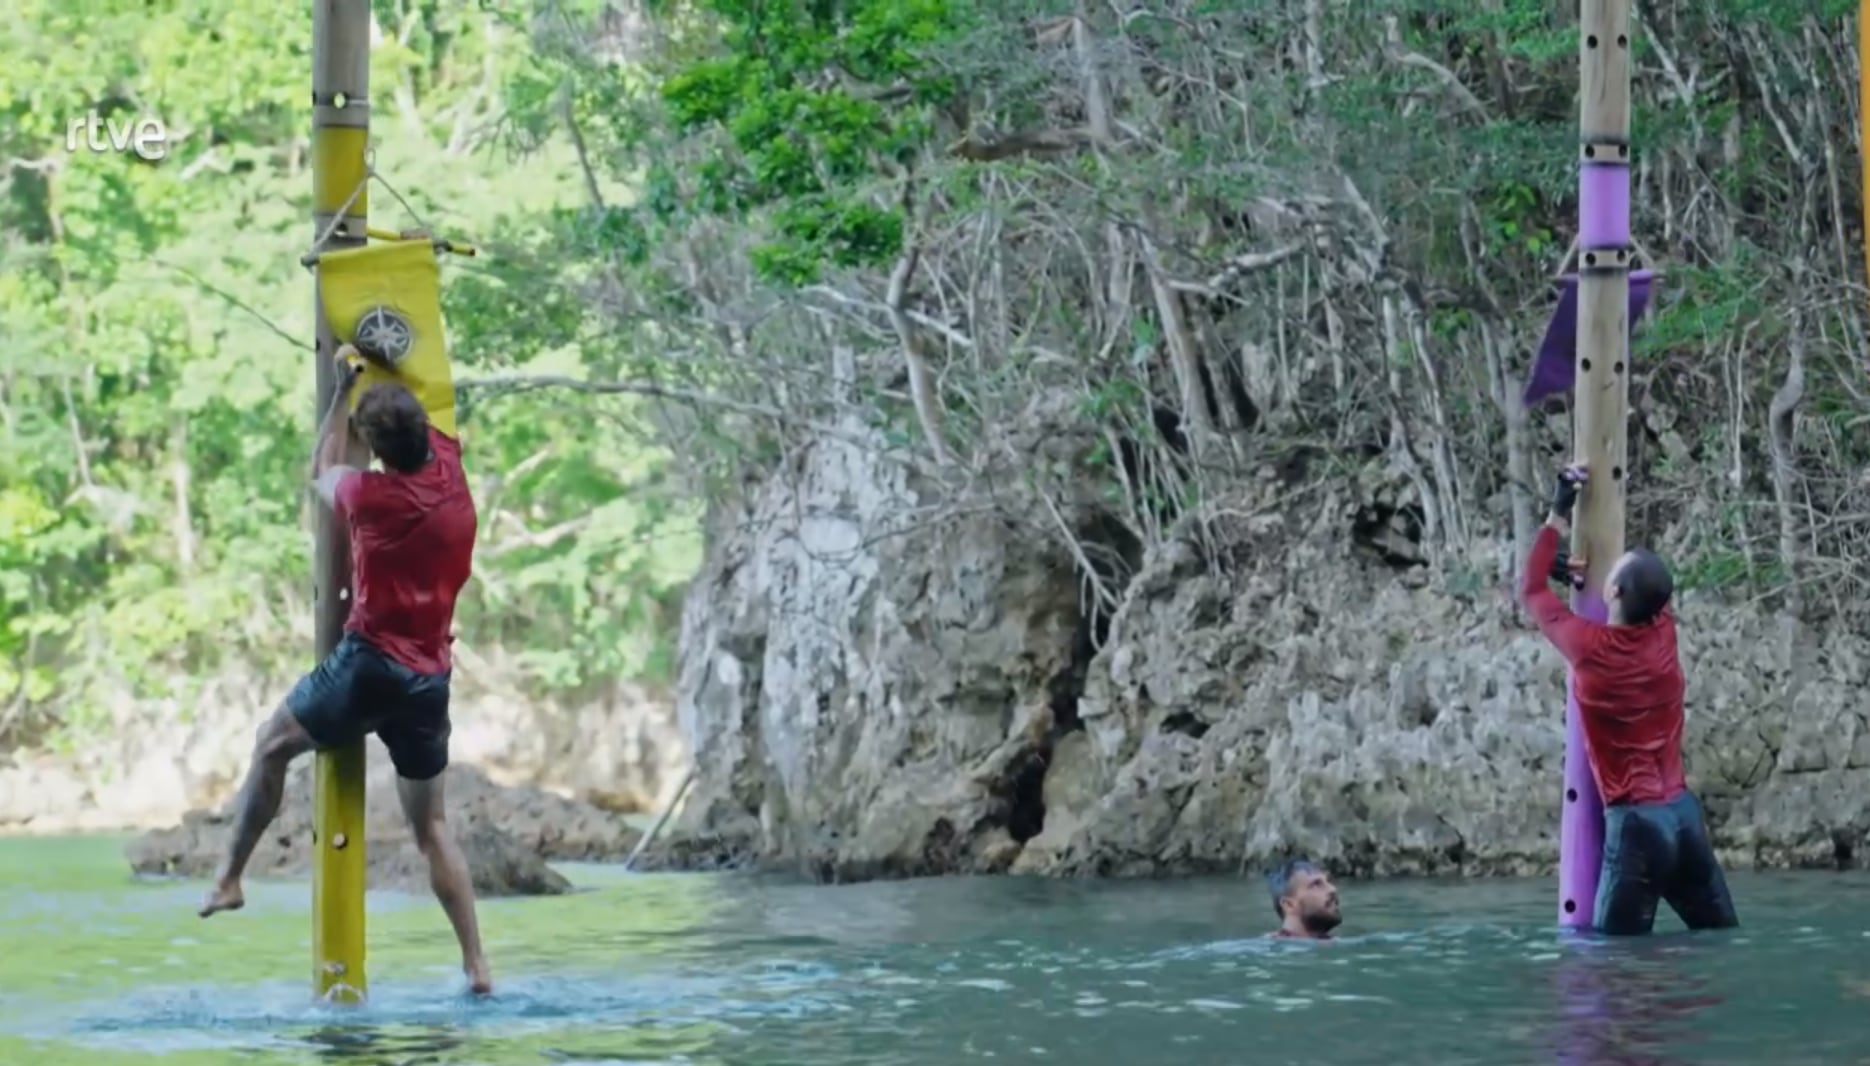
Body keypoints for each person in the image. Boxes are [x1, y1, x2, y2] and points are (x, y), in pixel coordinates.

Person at [198, 343, 492, 995]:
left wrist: (339, 391)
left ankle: (229, 878)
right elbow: (427, 410)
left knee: (271, 747)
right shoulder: (450, 464)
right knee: (432, 826)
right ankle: (477, 965)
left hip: (369, 666)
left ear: (379, 452)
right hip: (430, 679)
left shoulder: (371, 496)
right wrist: (393, 365)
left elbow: (321, 468)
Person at [1521, 463, 1738, 937]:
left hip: (1638, 826)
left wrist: (1559, 511)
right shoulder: (1664, 629)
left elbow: (1531, 589)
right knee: (1721, 939)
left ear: (1614, 591)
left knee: (1613, 965)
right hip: (1682, 816)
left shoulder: (1589, 648)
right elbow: (1645, 588)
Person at [1266, 858, 1341, 939]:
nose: (1333, 889)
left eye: (1329, 881)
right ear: (1289, 905)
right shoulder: (1269, 947)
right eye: (1316, 884)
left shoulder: (1330, 942)